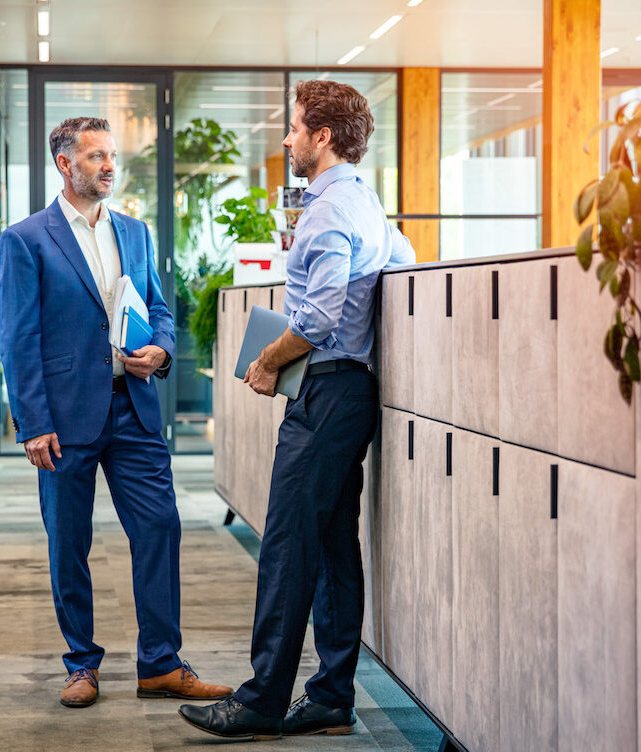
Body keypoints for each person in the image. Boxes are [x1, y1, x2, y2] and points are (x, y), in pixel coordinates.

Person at [179, 81, 416, 740]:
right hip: (351, 391)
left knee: (285, 546)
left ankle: (262, 698)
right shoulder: (365, 202)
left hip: (327, 391)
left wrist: (268, 360)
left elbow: (316, 317)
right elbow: (405, 263)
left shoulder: (326, 209)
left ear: (323, 136)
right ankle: (331, 696)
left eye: (293, 128)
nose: (286, 140)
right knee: (336, 546)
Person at [0, 116, 232, 709]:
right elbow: (17, 338)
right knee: (68, 543)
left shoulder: (135, 232)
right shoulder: (27, 239)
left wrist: (164, 348)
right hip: (64, 419)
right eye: (96, 156)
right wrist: (32, 423)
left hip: (134, 409)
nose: (108, 165)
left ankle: (160, 663)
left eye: (111, 156)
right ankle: (81, 664)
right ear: (64, 164)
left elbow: (160, 305)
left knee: (160, 527)